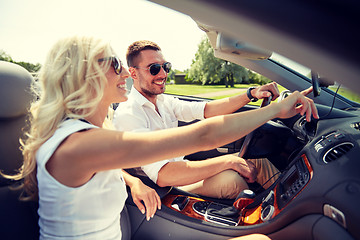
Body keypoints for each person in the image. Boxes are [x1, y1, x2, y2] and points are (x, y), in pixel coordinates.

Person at [3, 35, 317, 239]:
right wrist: (274, 110)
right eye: (115, 65)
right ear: (83, 75)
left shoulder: (87, 136)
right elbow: (203, 136)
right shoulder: (79, 144)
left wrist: (131, 180)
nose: (124, 73)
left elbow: (206, 112)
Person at [113, 40, 302, 199]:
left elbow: (207, 109)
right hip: (168, 187)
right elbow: (163, 175)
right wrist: (228, 161)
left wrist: (250, 93)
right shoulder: (129, 114)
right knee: (233, 181)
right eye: (154, 69)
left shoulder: (163, 102)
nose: (163, 74)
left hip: (182, 171)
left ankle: (290, 204)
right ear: (134, 73)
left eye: (165, 66)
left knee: (258, 162)